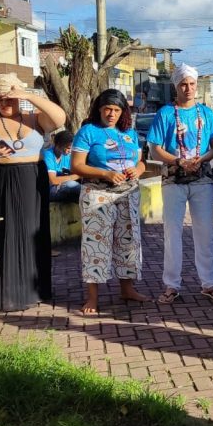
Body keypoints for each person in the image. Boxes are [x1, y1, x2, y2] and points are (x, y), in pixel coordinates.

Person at [0, 73, 66, 312]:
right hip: (1, 182)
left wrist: (27, 95)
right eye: (0, 99)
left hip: (32, 179)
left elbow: (60, 117)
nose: (5, 103)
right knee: (3, 234)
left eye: (10, 98)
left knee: (33, 232)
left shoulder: (35, 118)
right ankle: (5, 294)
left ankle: (35, 290)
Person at [147, 63, 213, 304]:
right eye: (183, 84)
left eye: (191, 84)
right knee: (172, 232)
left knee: (205, 232)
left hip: (201, 179)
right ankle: (171, 285)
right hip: (173, 179)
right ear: (175, 87)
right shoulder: (166, 114)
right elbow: (155, 150)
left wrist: (200, 159)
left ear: (196, 86)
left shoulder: (207, 113)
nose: (188, 88)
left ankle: (209, 284)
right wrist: (178, 161)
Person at [70, 89, 150, 315]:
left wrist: (138, 170)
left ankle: (127, 289)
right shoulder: (88, 131)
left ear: (123, 111)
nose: (111, 114)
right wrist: (105, 174)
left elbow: (141, 162)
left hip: (128, 193)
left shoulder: (129, 133)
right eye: (107, 109)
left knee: (128, 241)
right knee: (96, 243)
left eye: (116, 110)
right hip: (97, 194)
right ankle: (93, 297)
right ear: (99, 109)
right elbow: (76, 166)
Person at [43, 130, 81, 202]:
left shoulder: (66, 156)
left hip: (60, 188)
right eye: (68, 148)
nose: (70, 151)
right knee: (72, 185)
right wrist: (77, 176)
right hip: (48, 190)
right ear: (58, 145)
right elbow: (53, 180)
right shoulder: (48, 155)